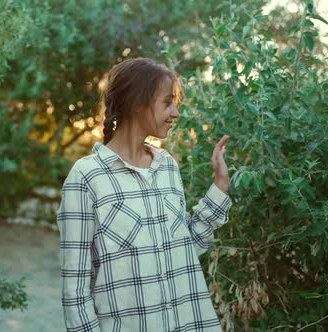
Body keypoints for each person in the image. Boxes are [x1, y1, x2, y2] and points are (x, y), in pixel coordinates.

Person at [57, 57, 232, 332]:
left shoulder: (167, 167)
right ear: (137, 102)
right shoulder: (87, 177)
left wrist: (220, 187)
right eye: (167, 102)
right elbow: (75, 292)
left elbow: (187, 248)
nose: (176, 112)